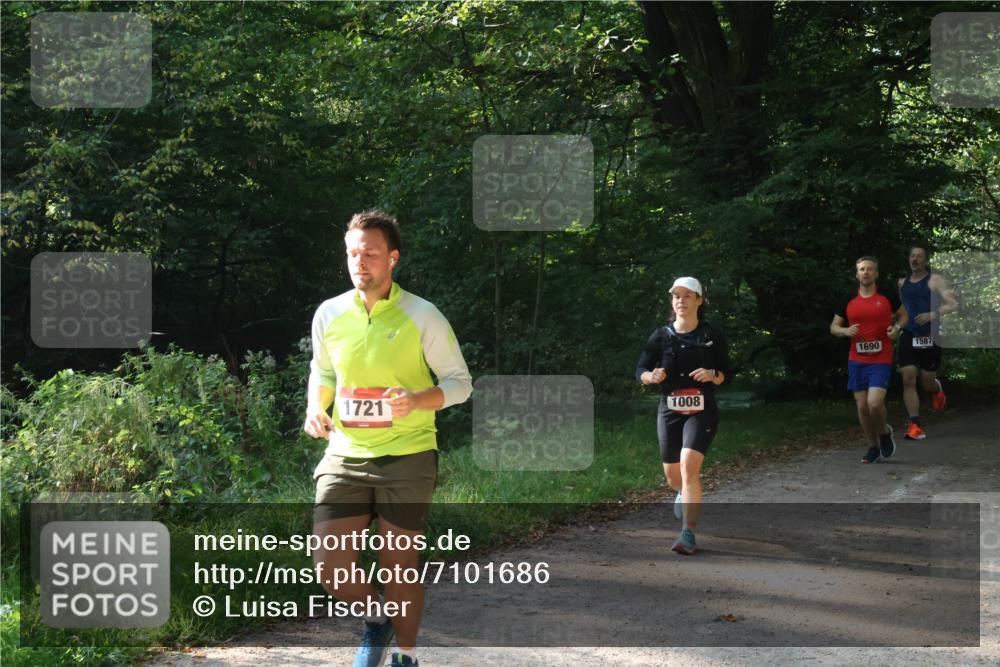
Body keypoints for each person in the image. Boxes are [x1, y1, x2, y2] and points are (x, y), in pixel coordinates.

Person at [303, 210, 472, 667]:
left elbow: (460, 383)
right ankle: (377, 619)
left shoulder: (422, 315)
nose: (361, 262)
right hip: (346, 454)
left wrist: (416, 400)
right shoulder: (330, 314)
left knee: (399, 566)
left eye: (371, 254)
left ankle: (406, 657)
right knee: (329, 565)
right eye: (353, 254)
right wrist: (315, 408)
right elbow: (322, 372)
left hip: (409, 456)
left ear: (392, 259)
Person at [635, 277, 731, 555]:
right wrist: (649, 376)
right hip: (670, 408)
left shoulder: (711, 335)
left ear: (699, 300)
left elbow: (727, 373)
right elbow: (640, 367)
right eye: (676, 296)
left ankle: (687, 534)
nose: (681, 301)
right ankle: (682, 491)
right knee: (673, 476)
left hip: (702, 409)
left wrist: (713, 375)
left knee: (690, 466)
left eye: (688, 296)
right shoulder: (661, 336)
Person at [830, 256, 908, 464]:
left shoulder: (887, 295)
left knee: (874, 403)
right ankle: (873, 446)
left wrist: (896, 330)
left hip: (881, 357)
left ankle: (883, 432)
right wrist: (845, 330)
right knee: (862, 406)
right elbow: (833, 327)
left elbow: (904, 316)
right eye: (862, 269)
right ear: (857, 274)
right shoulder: (848, 298)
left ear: (876, 274)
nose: (865, 272)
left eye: (870, 269)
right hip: (856, 359)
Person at [897, 246, 958, 440]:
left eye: (919, 256)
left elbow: (953, 304)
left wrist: (933, 314)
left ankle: (936, 389)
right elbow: (899, 310)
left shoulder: (935, 280)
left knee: (926, 383)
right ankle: (915, 425)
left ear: (925, 260)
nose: (915, 259)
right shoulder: (901, 283)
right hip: (908, 334)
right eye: (912, 255)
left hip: (930, 335)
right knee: (907, 378)